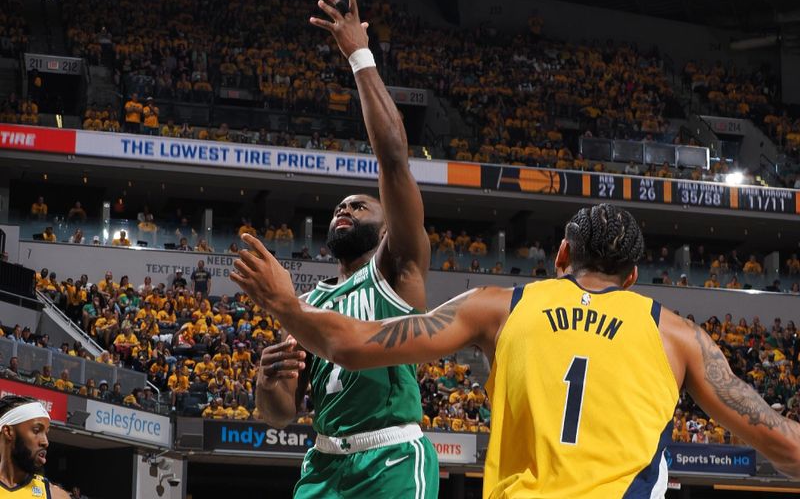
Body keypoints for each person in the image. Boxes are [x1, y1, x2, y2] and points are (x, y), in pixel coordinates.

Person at [233, 203, 800, 497]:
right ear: (632, 276)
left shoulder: (497, 306)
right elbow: (782, 445)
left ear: (560, 256)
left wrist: (287, 304)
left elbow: (352, 346)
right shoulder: (676, 334)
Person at [233, 0, 438, 498]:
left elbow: (393, 156)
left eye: (358, 205)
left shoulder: (397, 270)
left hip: (390, 455)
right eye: (338, 207)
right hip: (323, 463)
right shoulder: (307, 304)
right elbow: (281, 414)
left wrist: (359, 56)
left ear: (387, 226)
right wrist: (267, 384)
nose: (344, 209)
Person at [0, 395, 70, 497]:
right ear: (8, 432)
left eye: (46, 433)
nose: (45, 442)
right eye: (36, 431)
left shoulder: (56, 495)